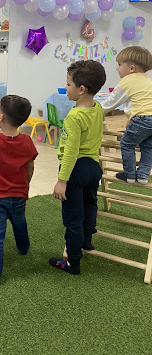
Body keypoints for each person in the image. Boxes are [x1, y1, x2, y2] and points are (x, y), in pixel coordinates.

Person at [49, 60, 106, 275]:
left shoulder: (74, 116)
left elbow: (71, 151)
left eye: (68, 84)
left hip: (77, 169)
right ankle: (87, 241)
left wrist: (62, 181)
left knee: (73, 217)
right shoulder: (98, 107)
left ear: (81, 89)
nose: (66, 88)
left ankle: (72, 262)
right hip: (94, 167)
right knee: (90, 203)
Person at [0, 95, 37, 283]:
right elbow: (30, 167)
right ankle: (23, 247)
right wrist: (25, 185)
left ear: (0, 118)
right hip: (19, 195)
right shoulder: (27, 141)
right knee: (20, 223)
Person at [101, 47, 152, 185]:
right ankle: (142, 175)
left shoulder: (127, 81)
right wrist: (132, 118)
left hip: (142, 119)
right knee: (148, 147)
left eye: (119, 65)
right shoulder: (148, 80)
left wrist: (95, 109)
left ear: (131, 68)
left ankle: (129, 174)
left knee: (126, 143)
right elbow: (144, 102)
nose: (117, 68)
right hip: (148, 118)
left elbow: (111, 102)